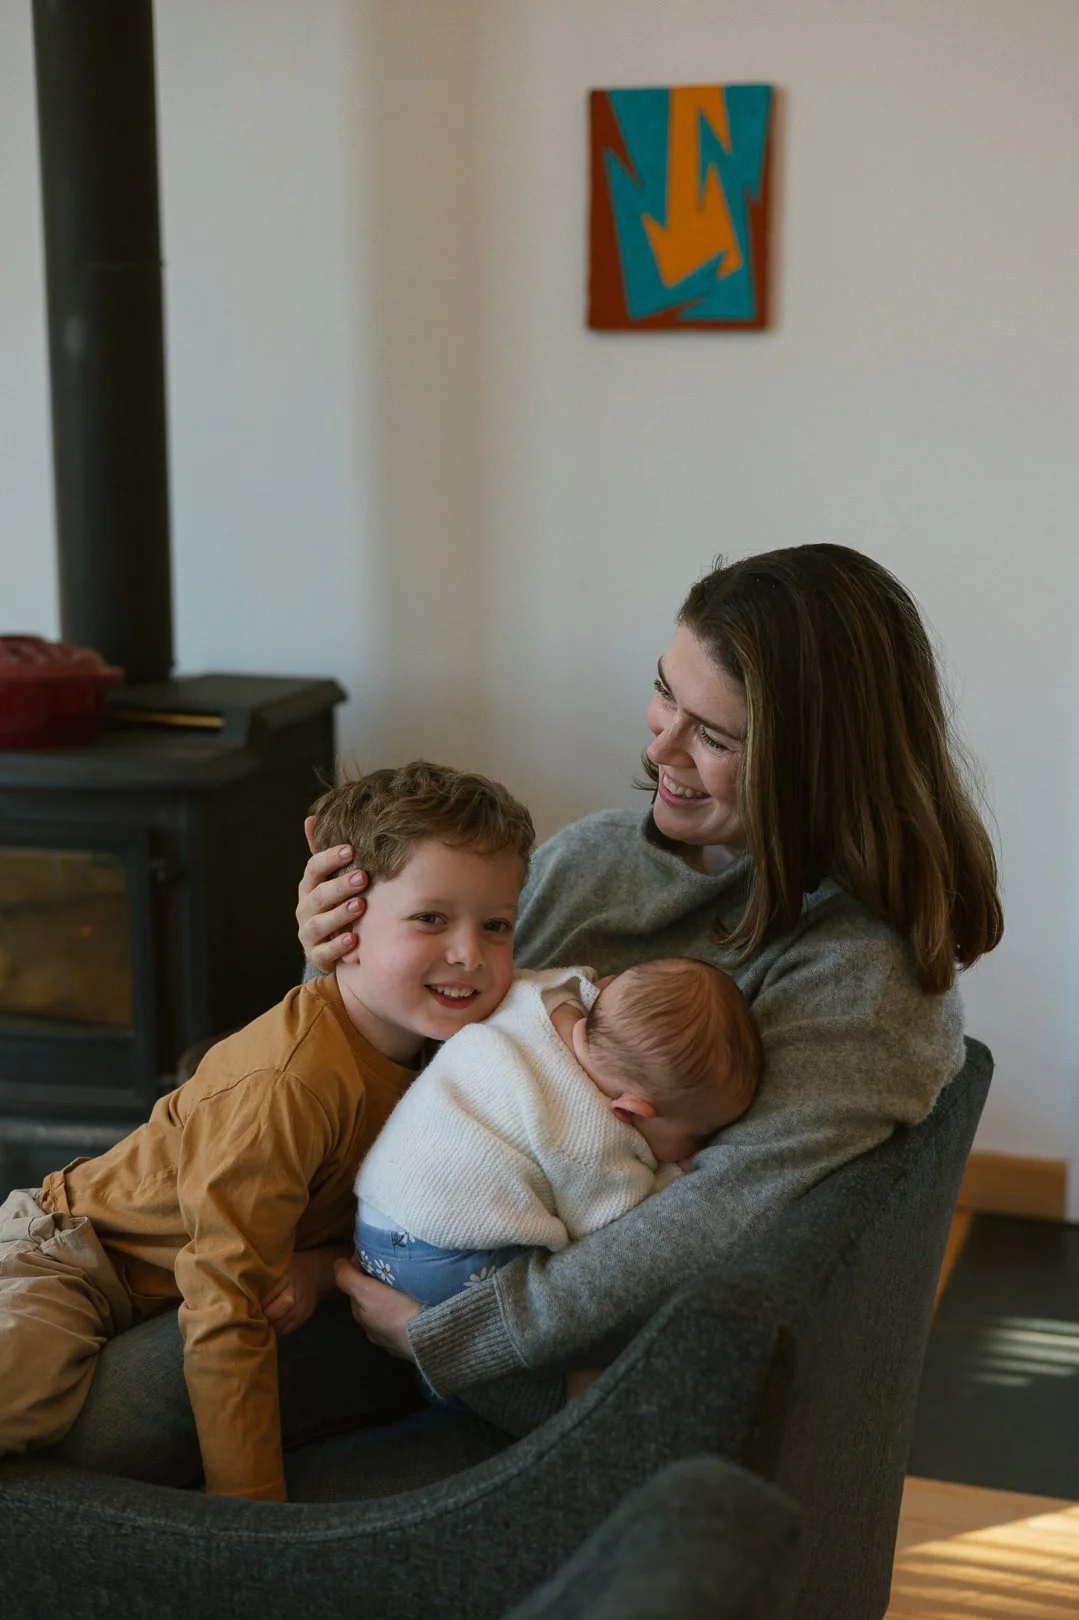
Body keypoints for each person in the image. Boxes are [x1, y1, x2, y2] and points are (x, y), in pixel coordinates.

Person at [42, 542, 1002, 1496]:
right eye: (665, 692)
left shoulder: (859, 981)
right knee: (96, 1412)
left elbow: (720, 1216)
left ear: (815, 763)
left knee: (117, 1431)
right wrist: (341, 950)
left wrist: (463, 1331)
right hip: (379, 1250)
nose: (659, 744)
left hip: (533, 1352)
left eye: (714, 736)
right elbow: (417, 1055)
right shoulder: (597, 862)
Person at [0, 761, 534, 1500]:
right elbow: (224, 1304)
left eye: (496, 925)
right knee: (15, 1408)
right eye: (431, 919)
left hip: (151, 1285)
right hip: (71, 1259)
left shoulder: (443, 1058)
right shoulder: (293, 1082)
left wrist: (317, 1269)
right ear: (344, 918)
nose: (470, 953)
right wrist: (250, 1516)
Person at [351, 954, 760, 1304]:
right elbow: (613, 1224)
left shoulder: (538, 995)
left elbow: (579, 984)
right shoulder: (597, 1141)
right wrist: (675, 1173)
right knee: (560, 1306)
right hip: (443, 1254)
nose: (700, 1144)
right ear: (633, 1110)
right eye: (697, 1134)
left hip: (375, 1206)